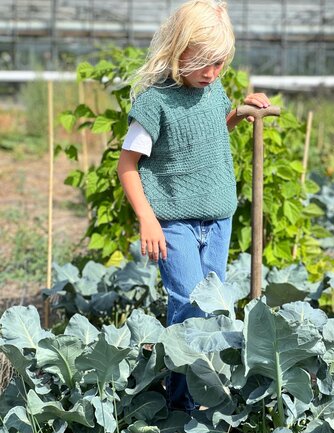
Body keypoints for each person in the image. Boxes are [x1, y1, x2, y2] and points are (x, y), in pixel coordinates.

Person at [117, 0, 270, 412]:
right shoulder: (155, 102)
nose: (212, 72)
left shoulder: (212, 88)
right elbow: (127, 165)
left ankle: (209, 399)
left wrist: (240, 111)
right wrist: (147, 219)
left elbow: (210, 129)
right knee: (186, 306)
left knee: (213, 308)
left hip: (217, 219)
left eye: (219, 63)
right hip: (175, 222)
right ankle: (181, 406)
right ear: (176, 48)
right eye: (203, 61)